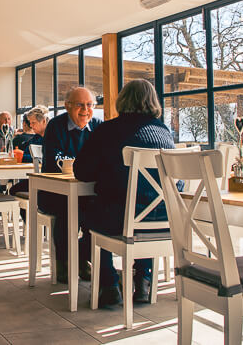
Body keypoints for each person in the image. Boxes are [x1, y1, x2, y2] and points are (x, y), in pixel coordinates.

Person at [74, 78, 175, 307]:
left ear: (123, 100)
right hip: (166, 219)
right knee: (146, 208)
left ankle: (109, 284)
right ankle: (144, 280)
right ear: (153, 101)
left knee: (91, 216)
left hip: (120, 219)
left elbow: (82, 171)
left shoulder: (108, 130)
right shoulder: (164, 132)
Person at [38, 86, 102, 283]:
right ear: (67, 106)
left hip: (88, 192)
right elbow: (52, 160)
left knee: (103, 211)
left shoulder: (99, 126)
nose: (85, 110)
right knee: (67, 209)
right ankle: (64, 262)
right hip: (54, 192)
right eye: (79, 105)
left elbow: (104, 158)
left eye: (89, 105)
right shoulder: (56, 126)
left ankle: (81, 256)